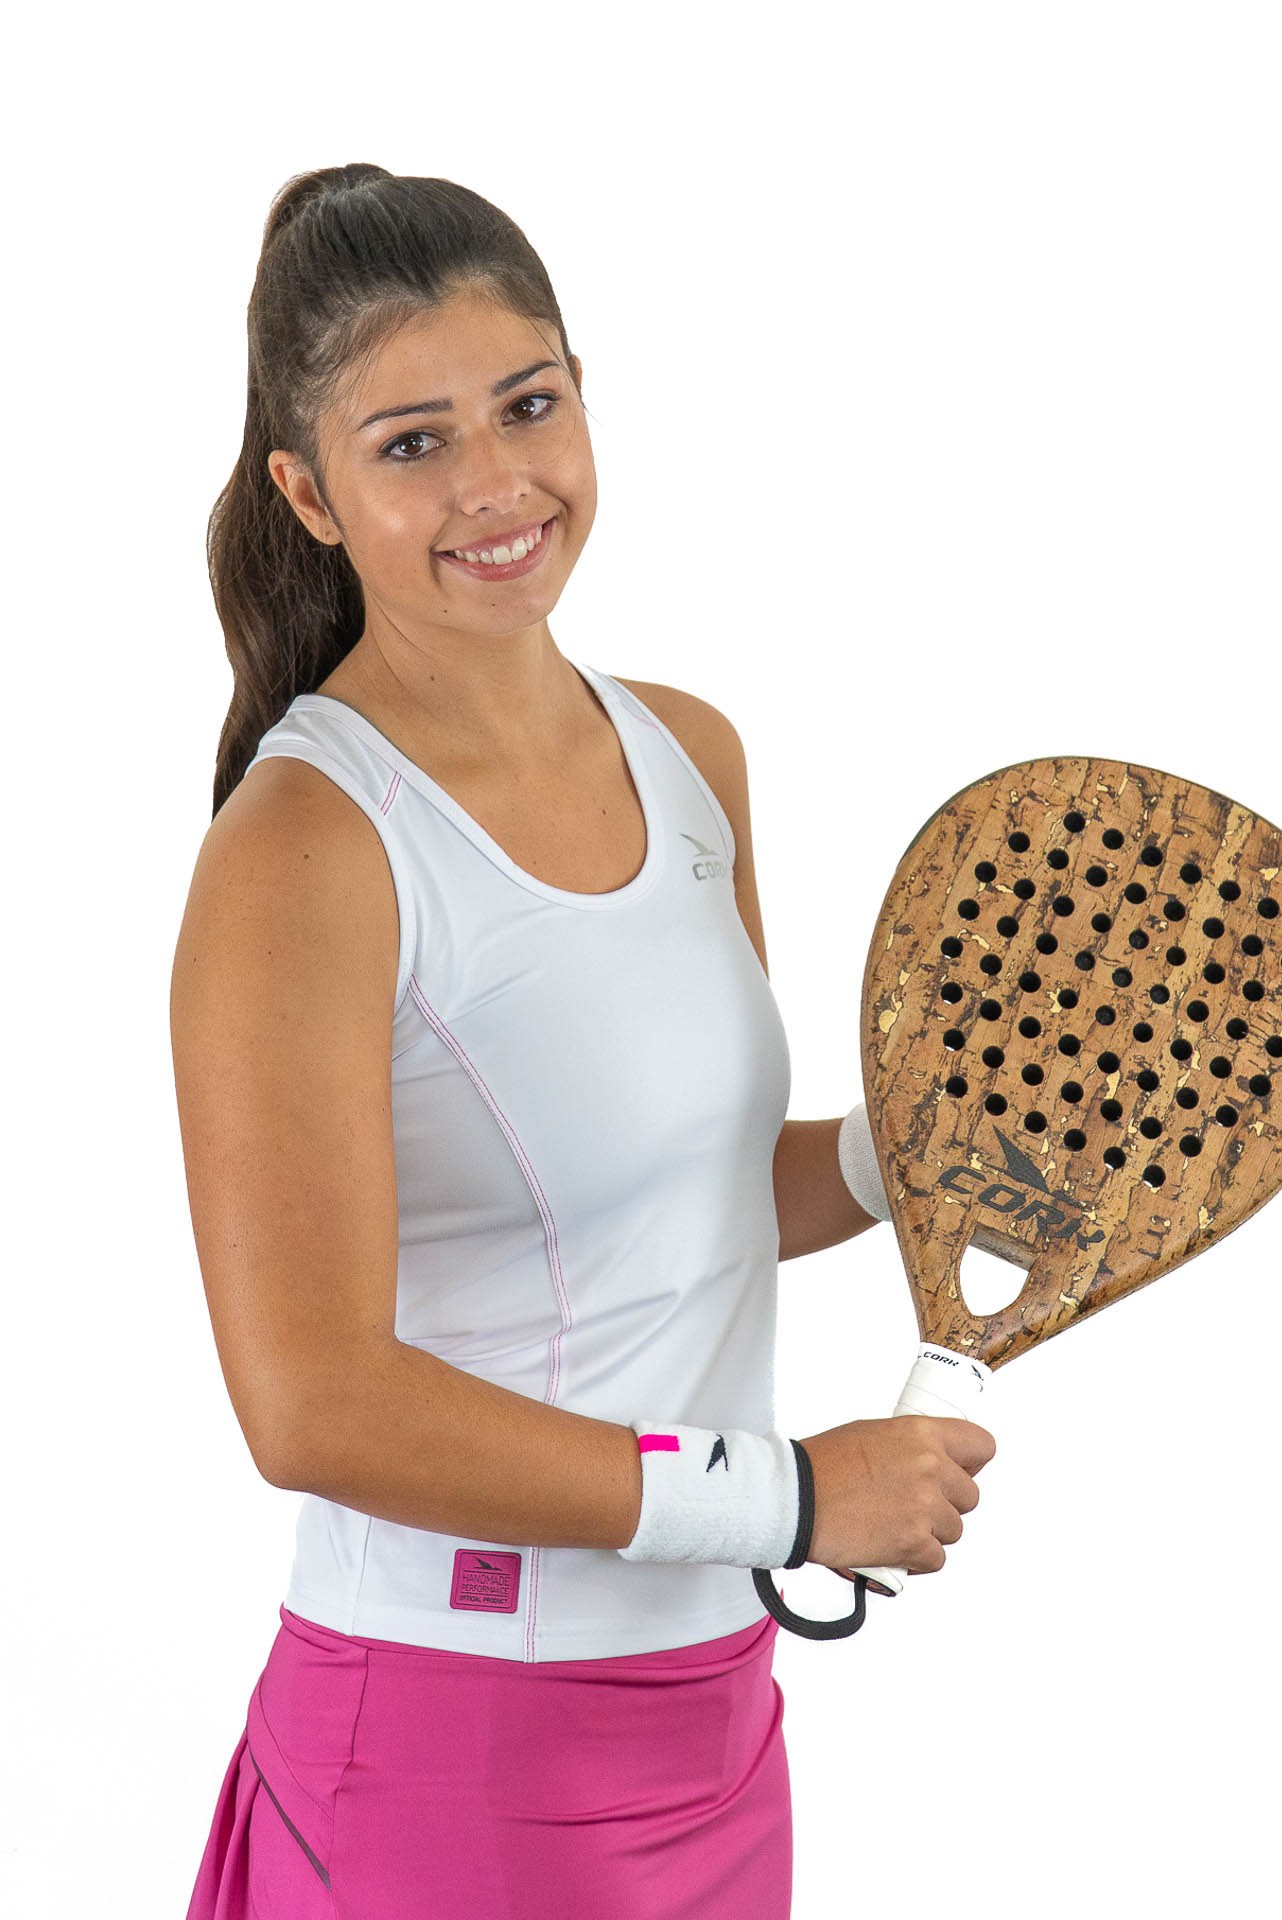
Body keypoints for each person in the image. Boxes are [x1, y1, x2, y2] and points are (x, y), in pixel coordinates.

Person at [170, 162, 996, 1920]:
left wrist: (897, 1155)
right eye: (412, 444)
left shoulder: (689, 754)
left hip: (711, 1709)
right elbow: (308, 1402)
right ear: (308, 494)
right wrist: (780, 1502)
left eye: (529, 405)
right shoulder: (305, 849)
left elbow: (686, 1193)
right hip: (454, 1728)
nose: (496, 484)